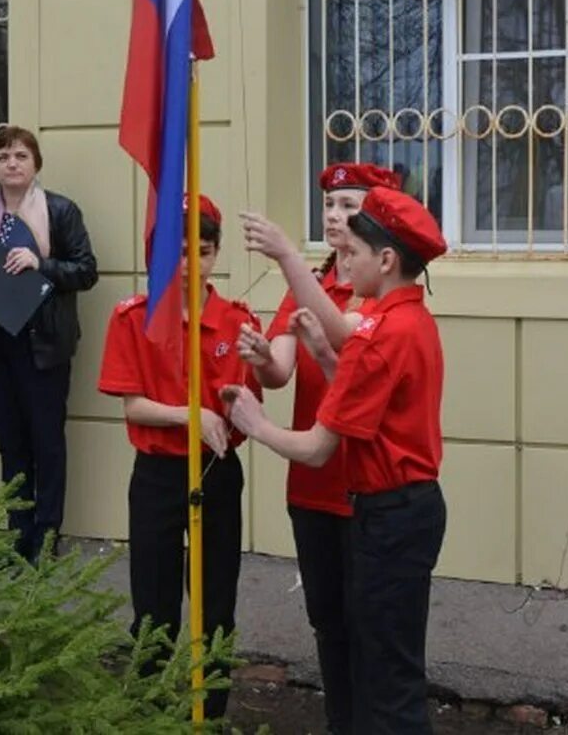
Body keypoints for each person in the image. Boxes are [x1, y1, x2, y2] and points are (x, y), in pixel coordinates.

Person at [224, 186, 448, 734]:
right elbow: (361, 394)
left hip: (388, 515)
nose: (347, 257)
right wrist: (323, 353)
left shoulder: (378, 331)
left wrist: (258, 425)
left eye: (357, 251)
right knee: (380, 661)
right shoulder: (408, 319)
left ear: (387, 260)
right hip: (409, 508)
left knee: (388, 679)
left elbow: (319, 447)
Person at [97, 194, 260, 721]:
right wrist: (191, 415)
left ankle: (209, 715)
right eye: (180, 251)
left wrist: (237, 407)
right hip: (158, 472)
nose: (193, 263)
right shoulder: (133, 318)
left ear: (217, 254)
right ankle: (150, 713)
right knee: (154, 603)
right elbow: (133, 404)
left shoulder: (236, 320)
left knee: (215, 604)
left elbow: (248, 398)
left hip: (216, 471)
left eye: (205, 251)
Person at [0, 125, 98, 563]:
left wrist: (42, 264)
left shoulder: (60, 210)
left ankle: (47, 537)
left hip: (44, 344)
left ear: (36, 163)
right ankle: (17, 536)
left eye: (20, 155)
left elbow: (87, 271)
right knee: (11, 444)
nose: (11, 163)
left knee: (46, 444)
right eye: (2, 157)